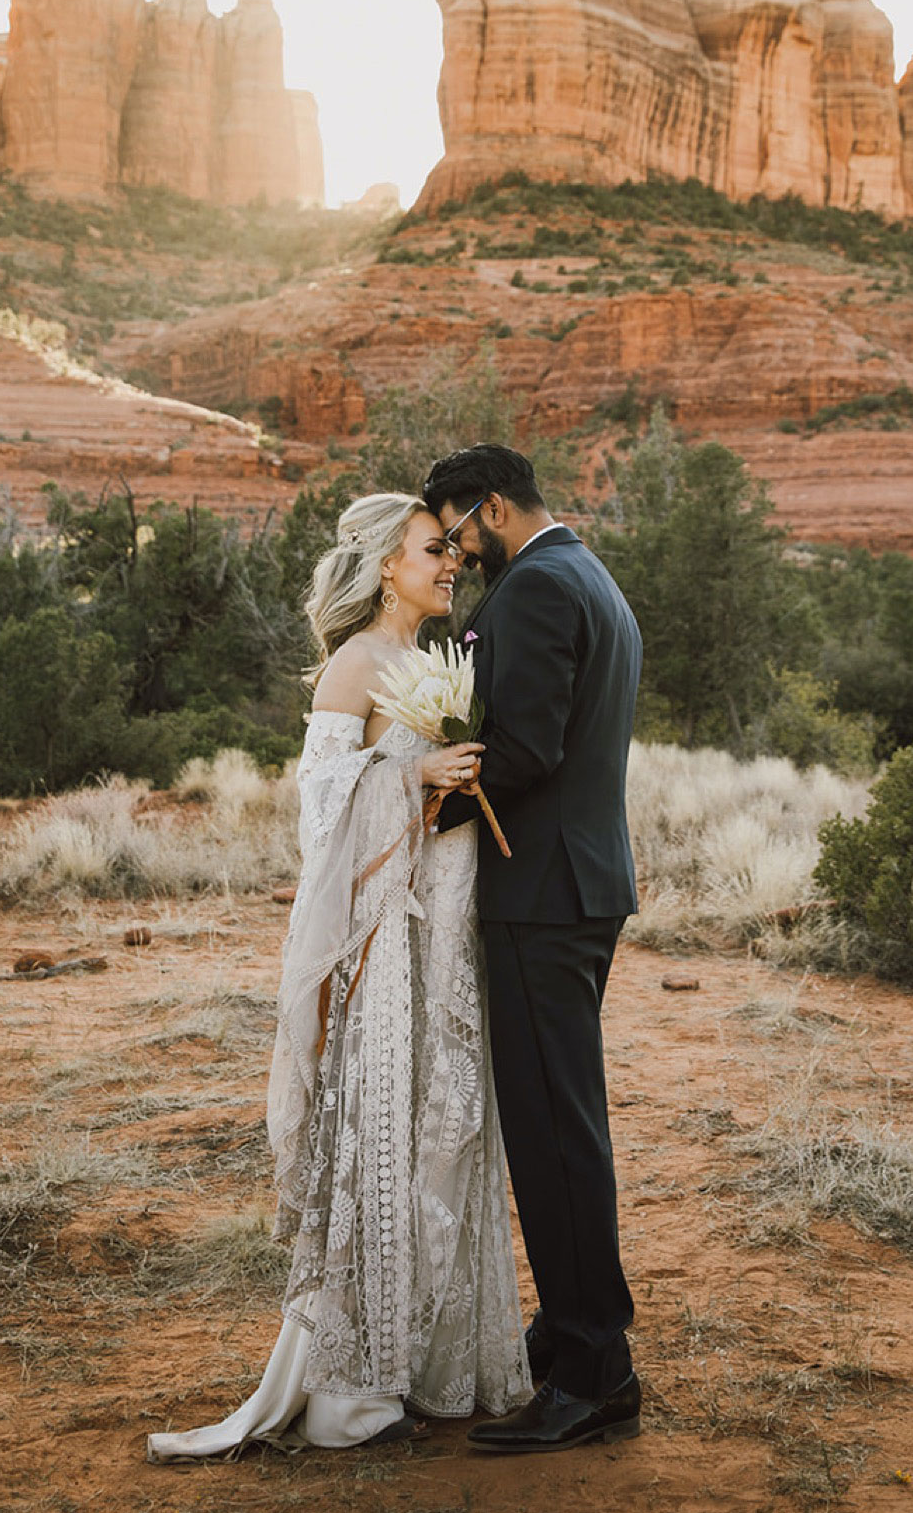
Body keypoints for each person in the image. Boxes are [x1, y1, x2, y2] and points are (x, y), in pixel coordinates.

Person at [147, 494, 532, 1460]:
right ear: (383, 565)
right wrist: (414, 775)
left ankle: (440, 1362)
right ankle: (350, 1391)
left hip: (449, 933)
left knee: (448, 1131)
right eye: (433, 549)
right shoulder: (355, 666)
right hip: (382, 947)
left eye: (450, 546)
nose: (451, 562)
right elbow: (321, 822)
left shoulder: (446, 662)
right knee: (385, 1138)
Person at [420, 444, 643, 1455]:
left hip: (543, 893)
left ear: (494, 507)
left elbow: (530, 747)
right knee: (561, 1121)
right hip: (572, 884)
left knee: (555, 1131)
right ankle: (568, 1330)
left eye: (460, 531)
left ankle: (596, 1371)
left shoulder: (539, 587)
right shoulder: (585, 571)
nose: (459, 553)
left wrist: (428, 788)